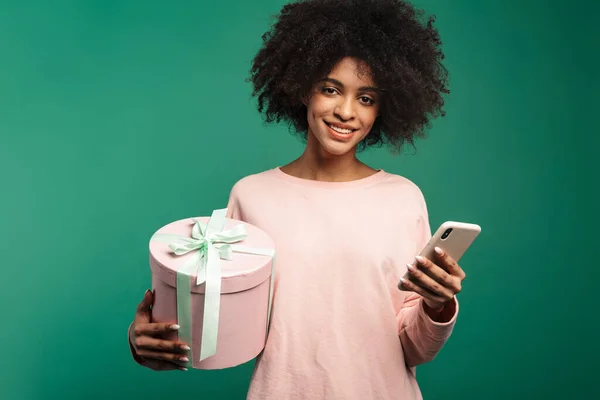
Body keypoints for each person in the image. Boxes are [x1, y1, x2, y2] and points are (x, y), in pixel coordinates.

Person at [128, 0, 468, 398]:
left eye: (366, 98)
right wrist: (148, 341)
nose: (345, 111)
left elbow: (413, 348)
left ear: (382, 109)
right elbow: (220, 329)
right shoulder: (251, 195)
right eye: (330, 89)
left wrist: (438, 307)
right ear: (303, 86)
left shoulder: (404, 199)